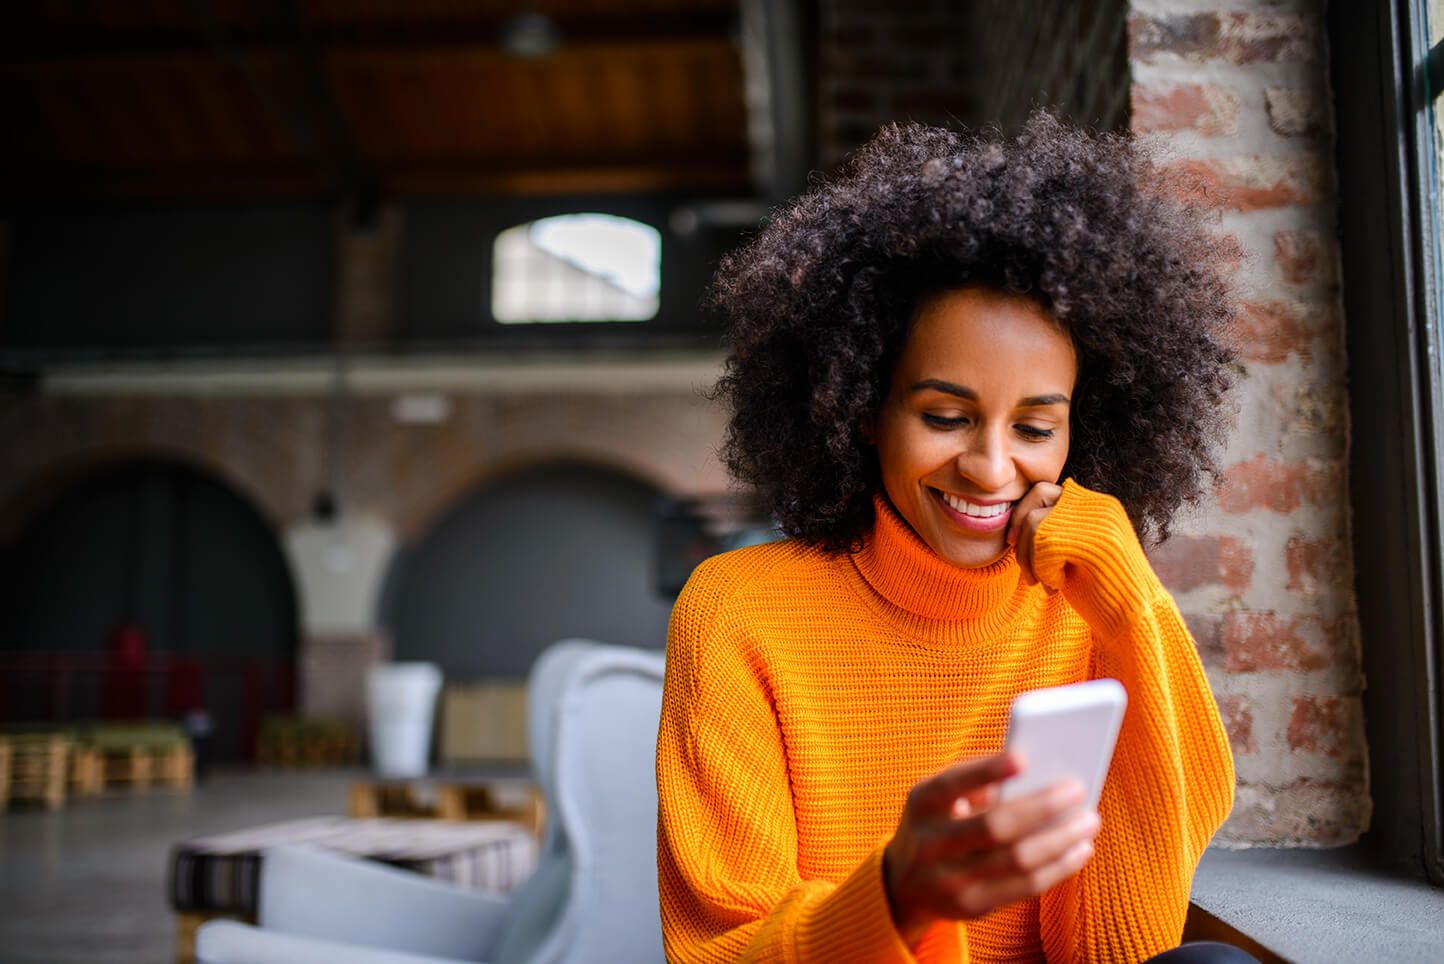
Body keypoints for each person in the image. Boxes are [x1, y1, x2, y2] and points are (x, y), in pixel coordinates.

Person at [655, 113, 1249, 963]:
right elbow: (721, 953)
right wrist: (897, 899)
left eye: (1036, 429)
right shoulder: (735, 614)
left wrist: (1133, 610)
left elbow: (1116, 949)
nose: (989, 467)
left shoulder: (1087, 606)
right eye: (945, 416)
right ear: (861, 407)